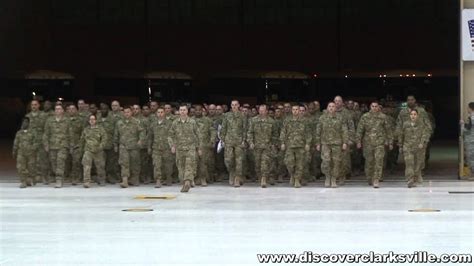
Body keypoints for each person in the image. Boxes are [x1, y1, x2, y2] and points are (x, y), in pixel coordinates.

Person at [356, 102, 393, 188]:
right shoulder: (365, 117)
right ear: (370, 107)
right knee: (369, 162)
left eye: (376, 106)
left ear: (378, 107)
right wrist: (358, 141)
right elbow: (360, 129)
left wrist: (390, 142)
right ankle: (369, 177)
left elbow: (388, 130)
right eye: (372, 106)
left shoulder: (383, 117)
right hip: (368, 143)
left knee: (378, 161)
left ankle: (376, 179)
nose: (374, 108)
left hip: (379, 143)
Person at [168, 105, 200, 193]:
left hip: (190, 148)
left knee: (189, 166)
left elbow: (198, 135)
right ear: (179, 111)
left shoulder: (192, 122)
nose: (182, 111)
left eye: (184, 110)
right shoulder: (175, 123)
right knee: (181, 167)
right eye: (181, 110)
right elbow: (170, 135)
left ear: (187, 111)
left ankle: (187, 182)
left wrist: (199, 148)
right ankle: (186, 180)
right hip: (179, 148)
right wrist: (172, 145)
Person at [315, 102, 348, 188]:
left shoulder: (340, 118)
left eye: (333, 106)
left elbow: (344, 131)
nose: (331, 108)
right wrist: (317, 143)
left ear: (335, 108)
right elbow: (318, 131)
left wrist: (345, 142)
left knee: (336, 162)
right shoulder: (322, 118)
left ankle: (334, 179)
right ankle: (327, 177)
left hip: (337, 143)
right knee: (326, 161)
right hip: (325, 143)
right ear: (327, 108)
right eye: (329, 106)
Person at [280, 105, 312, 188]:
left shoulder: (304, 121)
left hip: (301, 145)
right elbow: (283, 132)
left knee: (300, 164)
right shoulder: (287, 120)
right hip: (289, 145)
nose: (295, 111)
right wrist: (282, 143)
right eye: (293, 109)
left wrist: (308, 143)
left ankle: (297, 179)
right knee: (289, 163)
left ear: (299, 110)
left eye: (297, 109)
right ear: (291, 111)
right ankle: (292, 175)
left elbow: (308, 133)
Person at [247, 104, 278, 188]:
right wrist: (251, 142)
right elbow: (250, 132)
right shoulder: (253, 120)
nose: (261, 112)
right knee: (257, 164)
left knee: (265, 162)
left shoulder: (271, 121)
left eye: (263, 110)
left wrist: (273, 144)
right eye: (260, 110)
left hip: (267, 146)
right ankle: (260, 177)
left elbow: (275, 134)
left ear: (266, 111)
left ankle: (264, 178)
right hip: (256, 146)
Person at [398, 110, 431, 188]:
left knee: (418, 164)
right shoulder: (405, 124)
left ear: (417, 115)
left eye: (415, 114)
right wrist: (400, 146)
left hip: (419, 148)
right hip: (408, 147)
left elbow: (426, 134)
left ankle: (416, 177)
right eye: (411, 114)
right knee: (409, 164)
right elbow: (401, 135)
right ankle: (410, 180)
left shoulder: (422, 124)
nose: (413, 116)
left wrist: (422, 142)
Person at [114, 107, 145, 188]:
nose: (126, 113)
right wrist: (115, 145)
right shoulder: (119, 123)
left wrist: (141, 140)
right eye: (125, 112)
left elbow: (142, 132)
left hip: (134, 146)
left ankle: (134, 179)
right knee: (124, 163)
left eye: (128, 112)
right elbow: (116, 135)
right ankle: (125, 181)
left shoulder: (136, 122)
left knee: (135, 163)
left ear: (131, 112)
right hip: (123, 146)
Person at [220, 100, 248, 187]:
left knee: (239, 160)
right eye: (233, 105)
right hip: (228, 141)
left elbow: (245, 129)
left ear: (239, 105)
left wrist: (244, 140)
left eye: (236, 105)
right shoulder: (226, 116)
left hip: (239, 141)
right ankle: (232, 172)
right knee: (228, 160)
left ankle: (237, 178)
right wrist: (223, 140)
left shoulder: (243, 116)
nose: (234, 106)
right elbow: (223, 128)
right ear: (231, 106)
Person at [43, 104, 71, 188]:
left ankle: (59, 180)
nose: (57, 110)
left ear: (62, 111)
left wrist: (70, 145)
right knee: (53, 163)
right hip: (52, 145)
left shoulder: (67, 120)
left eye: (59, 109)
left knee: (60, 162)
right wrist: (46, 144)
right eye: (56, 109)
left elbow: (70, 134)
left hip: (63, 145)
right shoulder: (49, 120)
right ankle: (59, 176)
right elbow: (46, 134)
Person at [25, 100, 49, 184]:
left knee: (42, 160)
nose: (34, 106)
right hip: (31, 141)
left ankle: (43, 177)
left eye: (35, 104)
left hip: (41, 140)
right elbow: (25, 129)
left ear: (39, 105)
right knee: (31, 160)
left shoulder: (44, 115)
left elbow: (47, 129)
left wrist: (46, 141)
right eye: (32, 105)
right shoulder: (27, 116)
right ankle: (32, 177)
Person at [148, 107, 174, 187]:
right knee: (157, 164)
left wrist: (173, 146)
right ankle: (158, 180)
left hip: (167, 148)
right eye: (158, 112)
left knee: (168, 165)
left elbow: (173, 135)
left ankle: (168, 178)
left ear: (164, 113)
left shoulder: (170, 123)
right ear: (156, 113)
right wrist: (149, 147)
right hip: (156, 148)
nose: (160, 114)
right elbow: (150, 136)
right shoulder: (153, 124)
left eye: (162, 112)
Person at [80, 114, 107, 188]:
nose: (92, 121)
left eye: (93, 119)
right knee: (86, 166)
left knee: (100, 166)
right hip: (88, 150)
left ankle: (101, 180)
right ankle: (87, 181)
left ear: (96, 120)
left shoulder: (100, 129)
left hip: (98, 150)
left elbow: (104, 138)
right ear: (88, 121)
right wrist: (81, 150)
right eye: (90, 119)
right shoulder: (86, 130)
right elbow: (82, 140)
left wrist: (101, 146)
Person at [194, 105, 217, 186]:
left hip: (205, 145)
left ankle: (203, 178)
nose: (198, 111)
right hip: (194, 146)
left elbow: (213, 131)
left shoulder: (207, 120)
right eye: (196, 110)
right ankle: (196, 178)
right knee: (194, 163)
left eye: (199, 110)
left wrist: (212, 141)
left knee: (204, 163)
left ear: (202, 111)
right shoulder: (191, 120)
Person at [13, 118, 36, 188]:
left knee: (31, 167)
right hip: (21, 153)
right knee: (20, 167)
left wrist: (32, 149)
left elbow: (36, 142)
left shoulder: (33, 133)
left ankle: (28, 180)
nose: (24, 123)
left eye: (26, 122)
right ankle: (23, 181)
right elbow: (16, 143)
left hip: (30, 153)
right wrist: (14, 152)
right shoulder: (19, 133)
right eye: (23, 122)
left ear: (29, 123)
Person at [460, 102, 474, 181]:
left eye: (468, 108)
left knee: (471, 158)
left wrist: (462, 125)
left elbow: (467, 130)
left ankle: (473, 174)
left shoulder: (471, 118)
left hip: (471, 141)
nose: (467, 109)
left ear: (471, 108)